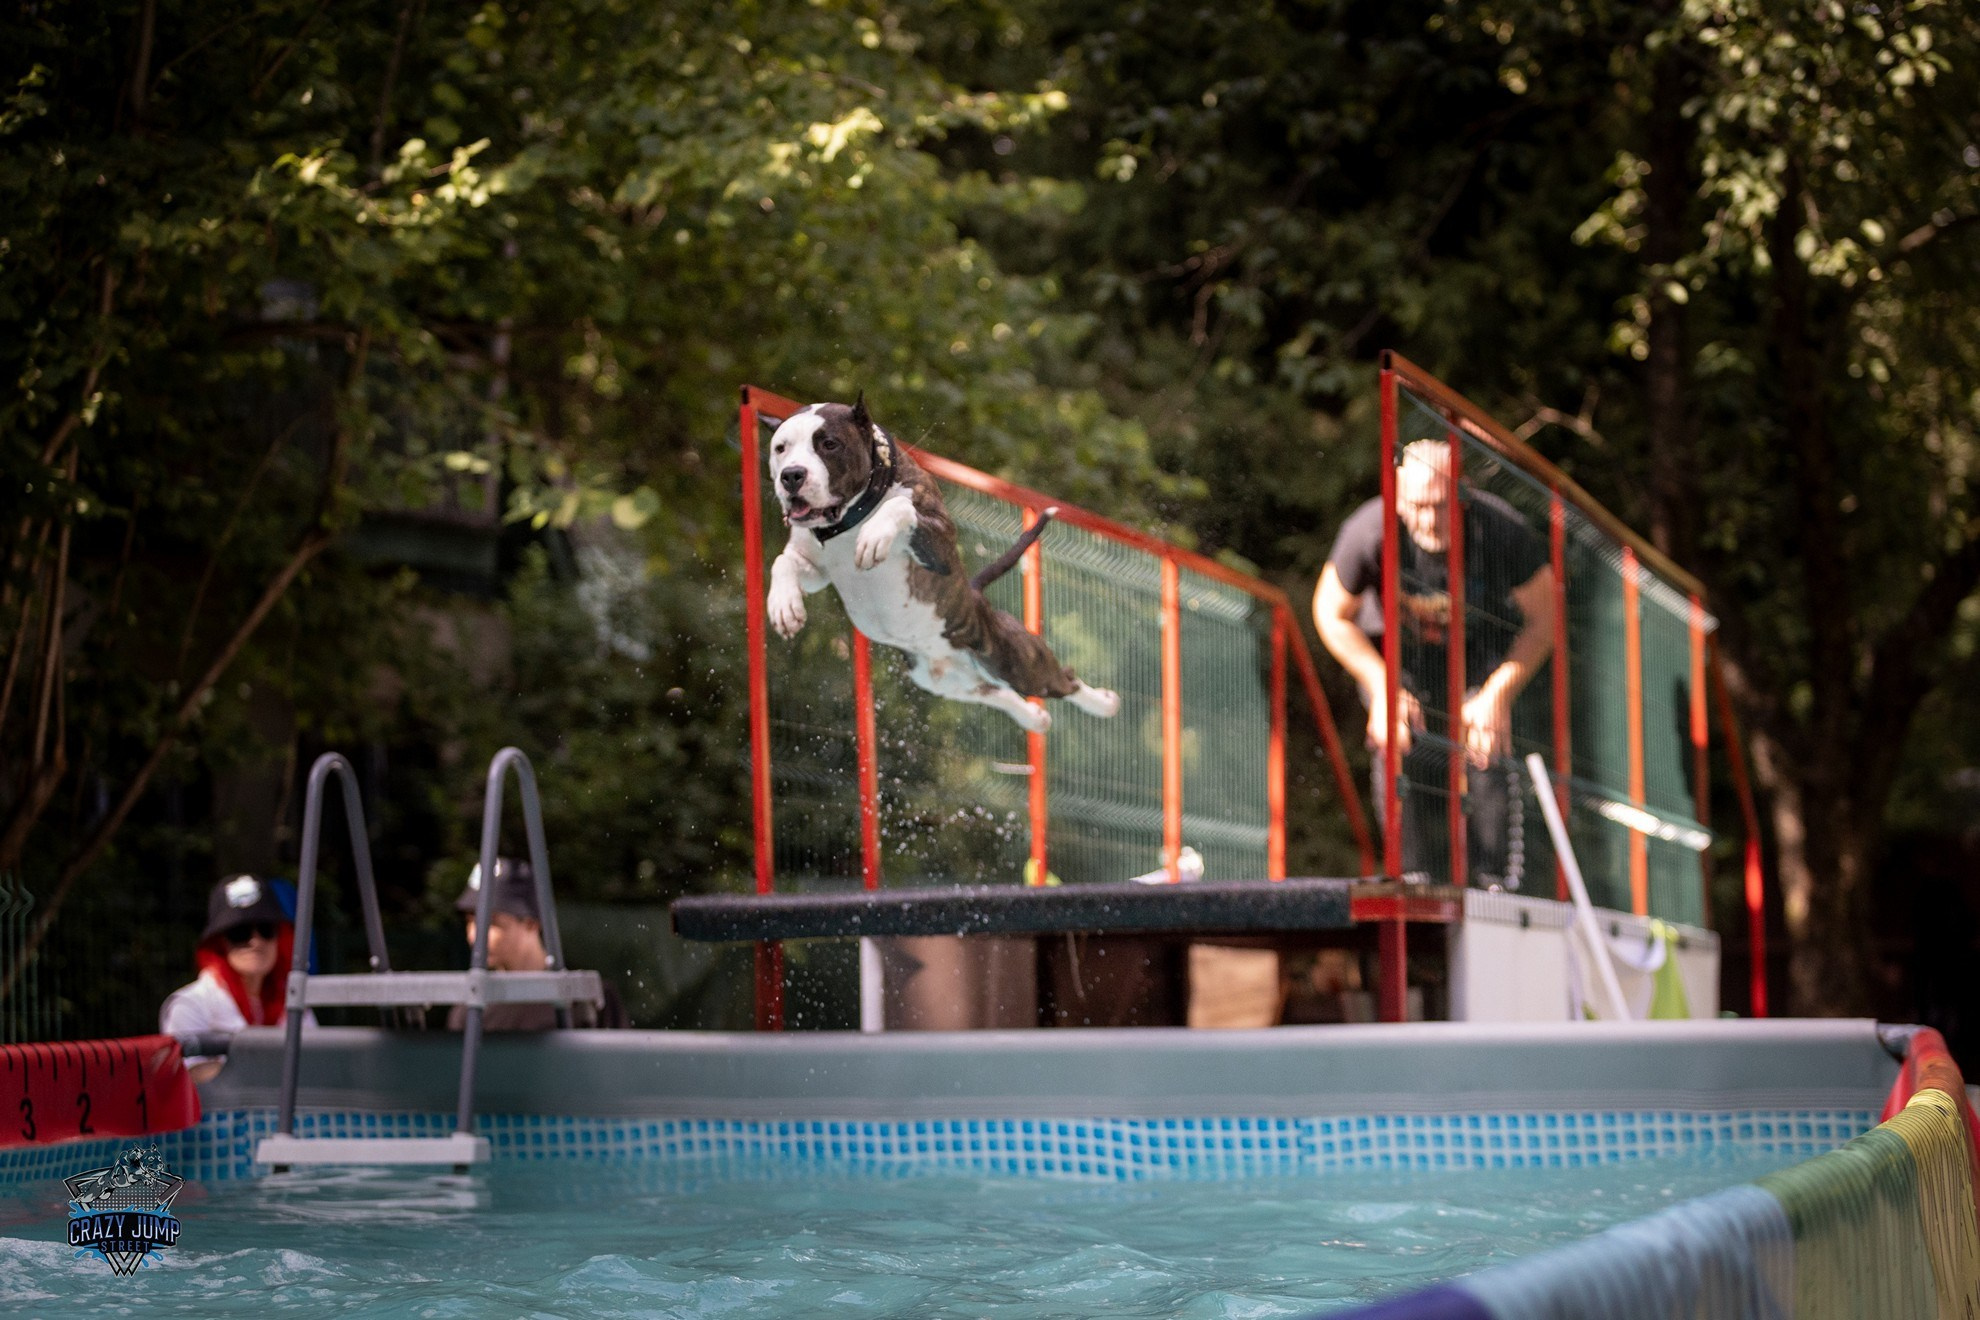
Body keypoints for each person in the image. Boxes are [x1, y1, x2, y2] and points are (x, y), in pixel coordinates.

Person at [1313, 439, 1555, 888]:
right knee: (1397, 737)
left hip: (1479, 663)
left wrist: (1499, 691)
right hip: (1396, 665)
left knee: (1484, 744)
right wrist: (1379, 682)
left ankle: (1494, 881)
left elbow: (1545, 620)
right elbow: (1328, 613)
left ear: (1462, 492)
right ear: (1399, 498)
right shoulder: (1368, 531)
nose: (1430, 520)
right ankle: (1411, 876)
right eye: (1419, 506)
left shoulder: (1501, 530)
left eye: (1442, 505)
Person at [160, 874, 315, 1082]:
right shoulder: (189, 1005)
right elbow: (190, 1076)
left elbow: (318, 1063)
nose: (255, 942)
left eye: (266, 929)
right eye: (239, 932)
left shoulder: (293, 1001)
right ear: (219, 943)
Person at [448, 857, 625, 1030]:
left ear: (531, 923)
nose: (474, 936)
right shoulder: (469, 1011)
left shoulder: (588, 999)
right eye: (470, 921)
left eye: (492, 923)